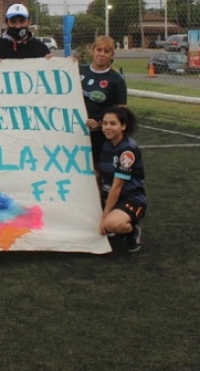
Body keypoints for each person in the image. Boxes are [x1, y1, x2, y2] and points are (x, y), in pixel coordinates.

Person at [98, 105, 146, 253]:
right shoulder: (105, 143)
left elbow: (117, 187)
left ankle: (131, 231)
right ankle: (115, 223)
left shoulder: (127, 150)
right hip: (109, 196)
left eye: (113, 124)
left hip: (130, 198)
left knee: (112, 224)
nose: (107, 127)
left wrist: (104, 217)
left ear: (123, 126)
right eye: (105, 123)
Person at [80, 35, 127, 168]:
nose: (102, 54)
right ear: (92, 50)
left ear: (112, 55)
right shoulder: (78, 70)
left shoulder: (116, 80)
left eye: (106, 51)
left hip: (101, 135)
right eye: (99, 50)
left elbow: (121, 112)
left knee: (98, 171)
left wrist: (100, 123)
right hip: (76, 131)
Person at [0, 3, 52, 67]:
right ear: (7, 22)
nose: (18, 26)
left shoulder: (40, 48)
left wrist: (51, 64)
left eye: (22, 21)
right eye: (13, 22)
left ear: (29, 22)